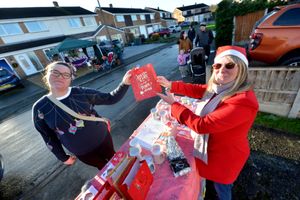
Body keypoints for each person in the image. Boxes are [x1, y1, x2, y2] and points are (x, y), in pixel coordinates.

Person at [157, 46, 259, 199]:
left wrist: (174, 105)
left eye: (229, 65)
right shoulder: (222, 87)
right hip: (215, 149)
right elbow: (199, 90)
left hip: (226, 157)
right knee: (214, 182)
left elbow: (202, 125)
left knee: (223, 188)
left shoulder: (243, 101)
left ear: (242, 69)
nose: (222, 69)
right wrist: (171, 85)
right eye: (218, 65)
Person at [32, 61, 132, 169]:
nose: (60, 77)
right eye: (55, 72)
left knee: (116, 160)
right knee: (104, 169)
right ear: (47, 75)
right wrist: (63, 157)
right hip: (82, 152)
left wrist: (124, 83)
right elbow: (48, 137)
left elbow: (110, 98)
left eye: (66, 75)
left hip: (103, 139)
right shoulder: (39, 108)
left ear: (71, 79)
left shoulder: (80, 93)